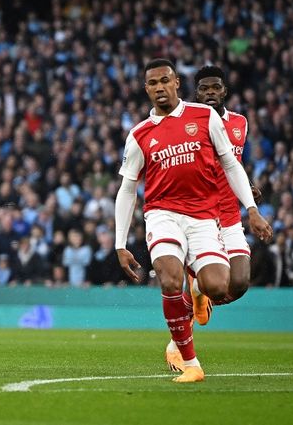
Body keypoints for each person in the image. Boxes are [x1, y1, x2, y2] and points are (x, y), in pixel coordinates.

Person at [114, 59, 272, 382]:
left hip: (205, 215)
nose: (160, 88)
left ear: (176, 84)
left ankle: (198, 292)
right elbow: (127, 188)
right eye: (153, 83)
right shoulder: (139, 135)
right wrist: (119, 243)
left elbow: (231, 164)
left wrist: (251, 209)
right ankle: (191, 363)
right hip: (162, 215)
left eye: (165, 81)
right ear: (146, 89)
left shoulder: (207, 118)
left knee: (224, 285)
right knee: (170, 278)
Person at [165, 65, 263, 372]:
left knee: (241, 282)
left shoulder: (239, 123)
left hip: (230, 214)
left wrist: (246, 191)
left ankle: (196, 293)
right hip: (201, 214)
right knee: (216, 284)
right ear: (195, 92)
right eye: (204, 88)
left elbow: (233, 164)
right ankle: (180, 337)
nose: (210, 93)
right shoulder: (188, 121)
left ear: (224, 91)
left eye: (215, 88)